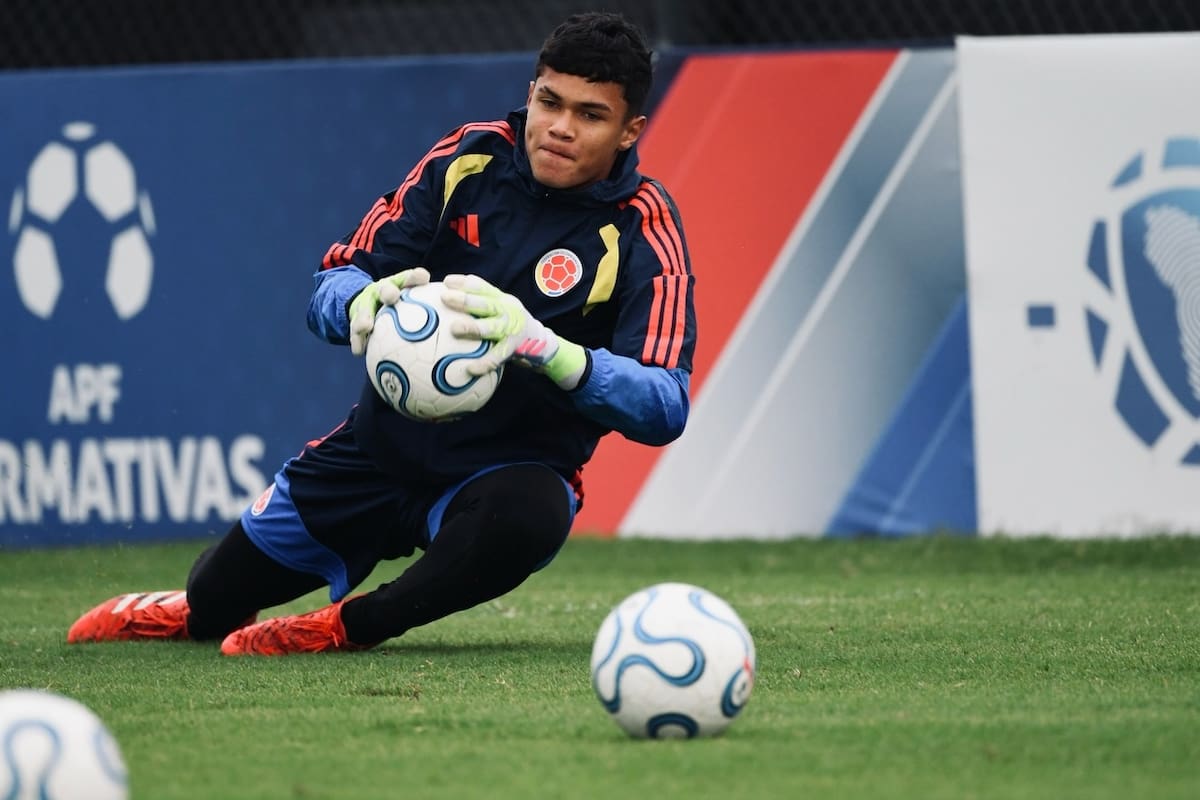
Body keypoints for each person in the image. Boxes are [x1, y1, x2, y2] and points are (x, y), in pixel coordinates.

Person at [66, 11, 696, 656]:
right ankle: (189, 609)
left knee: (533, 516)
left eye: (590, 115)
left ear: (629, 130)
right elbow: (336, 279)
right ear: (531, 93)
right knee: (215, 595)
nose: (560, 127)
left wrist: (546, 349)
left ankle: (351, 625)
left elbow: (665, 402)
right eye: (550, 102)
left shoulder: (643, 225)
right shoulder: (469, 158)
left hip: (505, 472)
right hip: (377, 449)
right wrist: (356, 302)